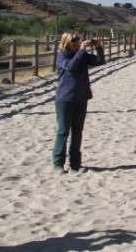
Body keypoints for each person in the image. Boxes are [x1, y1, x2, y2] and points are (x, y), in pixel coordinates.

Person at [52, 32, 105, 174]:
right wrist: (81, 50)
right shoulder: (62, 56)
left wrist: (99, 48)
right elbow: (71, 66)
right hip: (65, 98)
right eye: (73, 41)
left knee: (77, 132)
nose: (76, 43)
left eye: (77, 40)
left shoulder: (82, 56)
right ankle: (58, 163)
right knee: (63, 131)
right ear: (66, 42)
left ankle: (75, 164)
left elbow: (99, 62)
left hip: (81, 97)